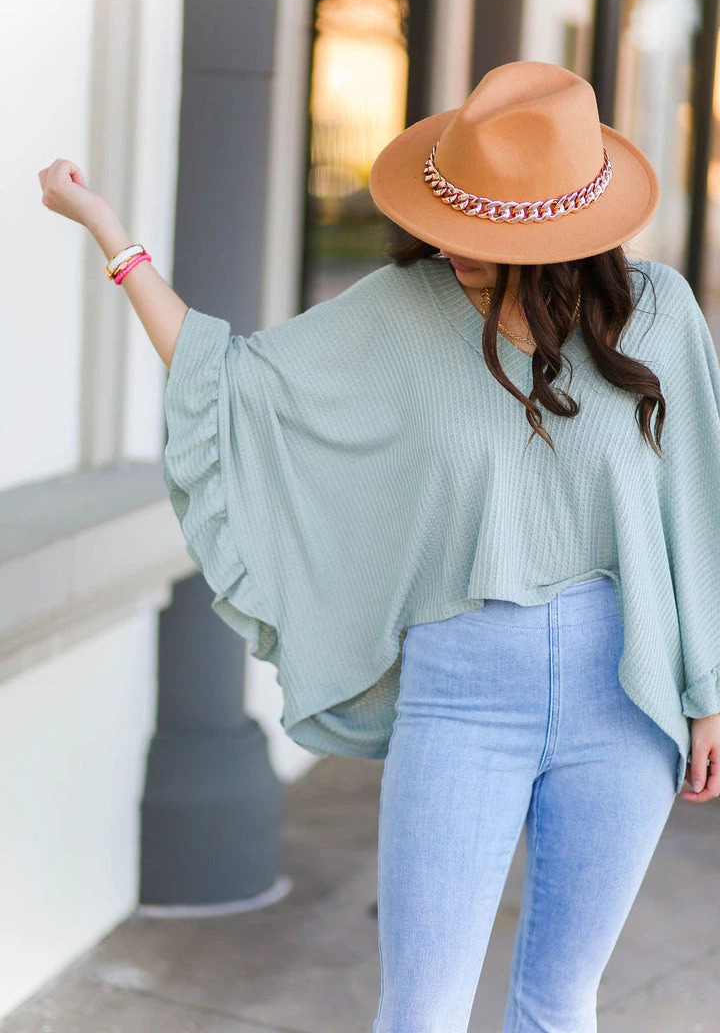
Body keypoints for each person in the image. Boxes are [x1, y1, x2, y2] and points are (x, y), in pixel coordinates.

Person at [39, 60, 720, 1033]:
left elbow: (698, 503)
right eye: (449, 218)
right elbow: (232, 380)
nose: (450, 245)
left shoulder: (660, 312)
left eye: (480, 227)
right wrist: (111, 234)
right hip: (462, 694)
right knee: (421, 1010)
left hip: (627, 693)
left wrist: (708, 691)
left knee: (562, 1001)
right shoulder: (402, 310)